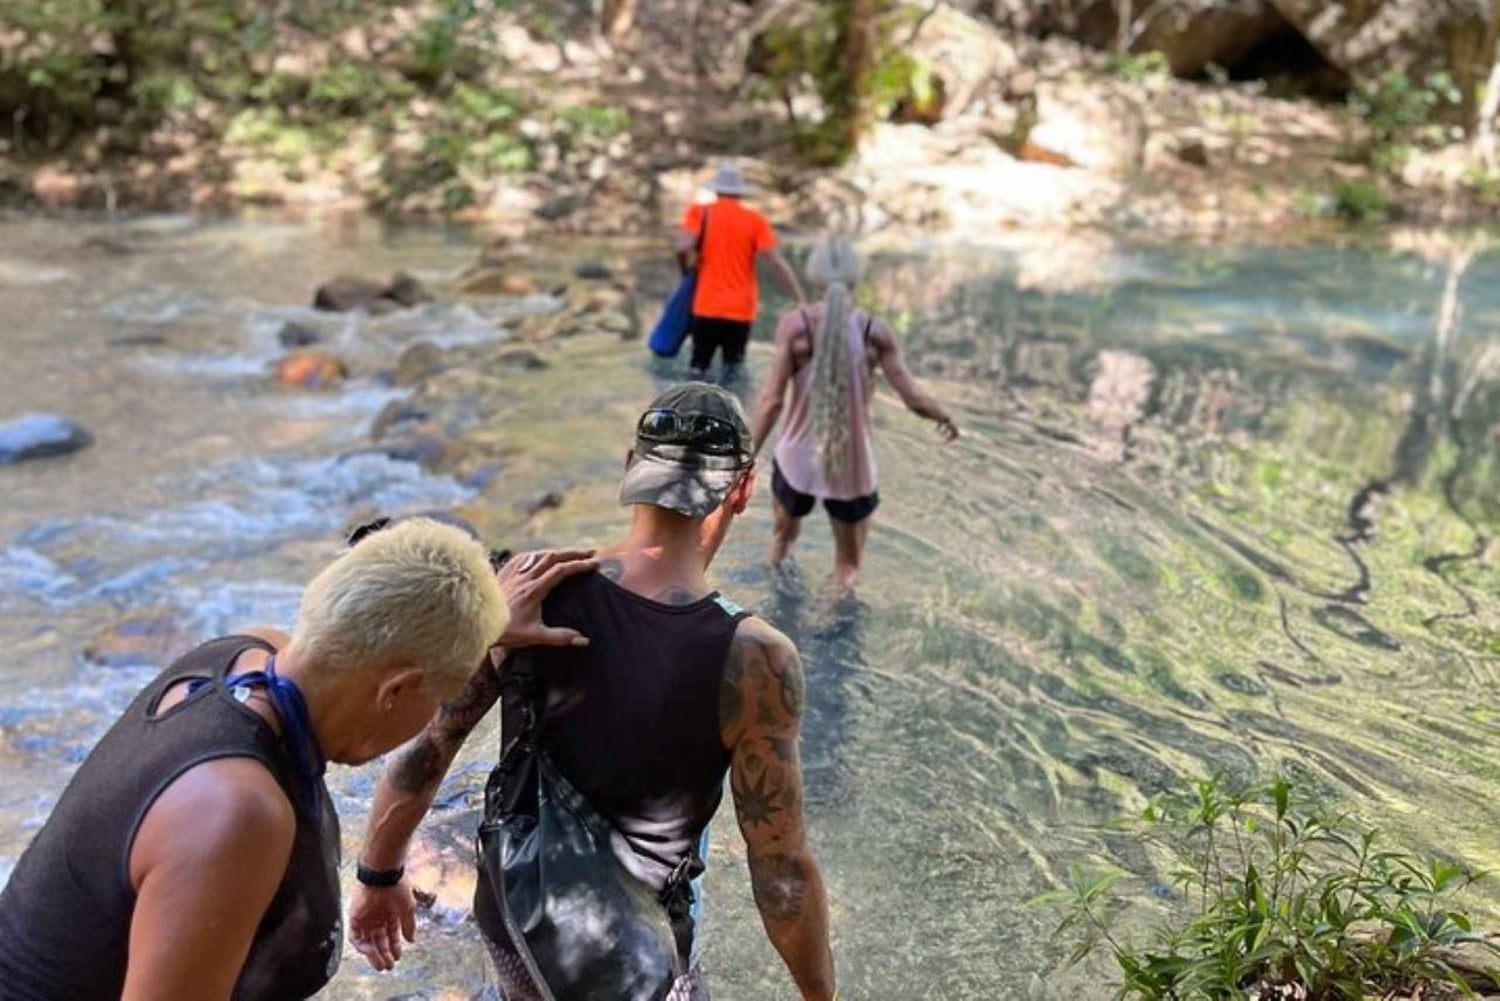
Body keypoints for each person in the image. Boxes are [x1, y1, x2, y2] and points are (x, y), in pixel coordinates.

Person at [349, 384, 837, 1001]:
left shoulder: (531, 588)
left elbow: (431, 745)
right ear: (742, 490)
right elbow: (781, 869)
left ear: (631, 469)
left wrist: (377, 873)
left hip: (517, 904)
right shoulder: (756, 657)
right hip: (627, 952)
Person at [0, 518, 595, 1001]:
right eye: (436, 697)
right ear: (394, 691)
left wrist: (482, 625)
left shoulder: (248, 657)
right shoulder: (235, 814)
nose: (435, 713)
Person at [751, 235, 958, 591]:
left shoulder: (795, 325)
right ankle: (835, 632)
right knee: (847, 567)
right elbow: (913, 399)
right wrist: (945, 418)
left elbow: (771, 402)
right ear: (855, 280)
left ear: (814, 279)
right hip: (851, 465)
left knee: (782, 541)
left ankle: (774, 630)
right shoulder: (873, 331)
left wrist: (745, 457)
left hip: (796, 459)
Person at [677, 163, 806, 381]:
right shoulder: (755, 221)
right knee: (733, 370)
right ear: (739, 192)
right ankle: (734, 412)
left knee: (697, 368)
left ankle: (694, 410)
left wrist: (687, 269)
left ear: (717, 190)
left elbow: (682, 247)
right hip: (740, 309)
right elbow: (775, 262)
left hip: (706, 306)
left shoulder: (699, 212)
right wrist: (798, 297)